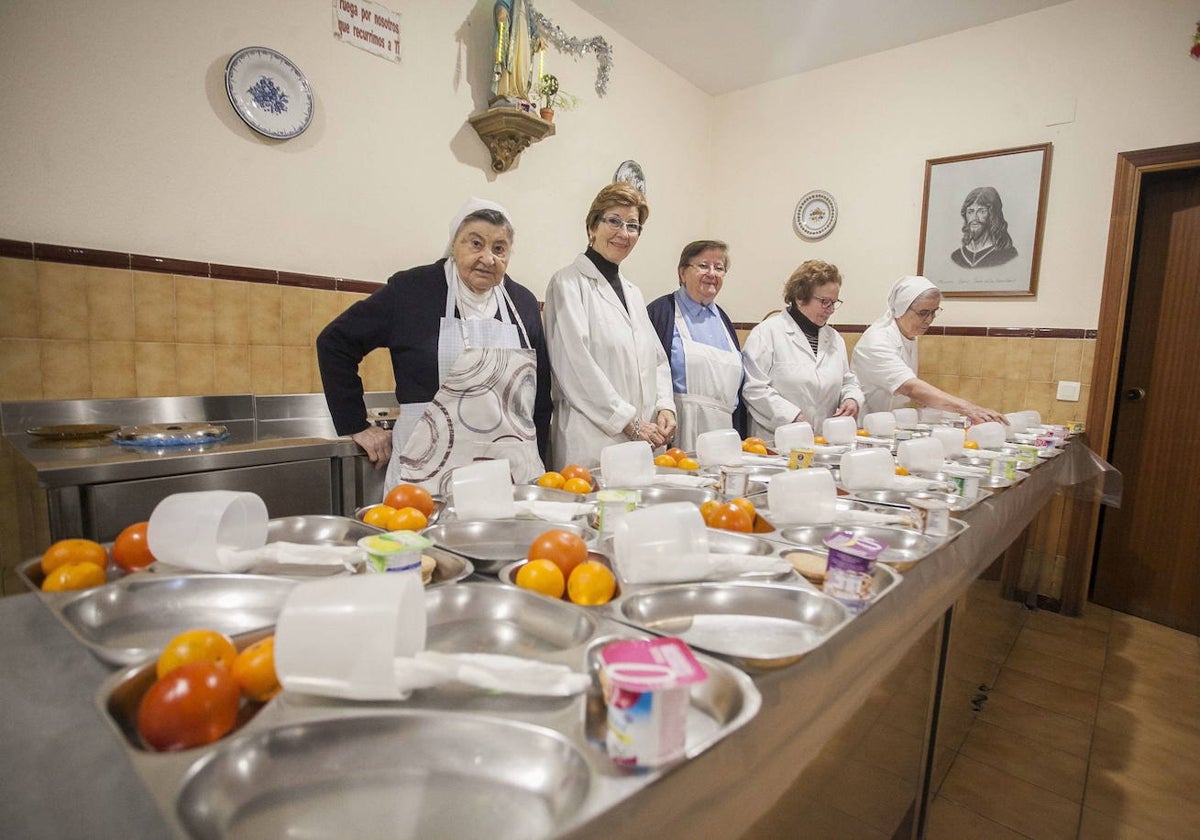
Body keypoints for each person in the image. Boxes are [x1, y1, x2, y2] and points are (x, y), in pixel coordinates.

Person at [316, 197, 551, 496]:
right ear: (454, 244)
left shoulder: (524, 304)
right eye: (475, 243)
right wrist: (355, 423)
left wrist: (535, 457)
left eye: (499, 248)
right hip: (425, 468)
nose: (488, 258)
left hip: (507, 474)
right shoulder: (412, 291)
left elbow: (540, 396)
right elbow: (335, 342)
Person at [543, 183, 676, 469]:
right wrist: (626, 421)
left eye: (633, 225)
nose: (623, 233)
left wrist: (665, 405)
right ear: (592, 226)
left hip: (641, 437)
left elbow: (656, 360)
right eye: (614, 221)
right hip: (592, 438)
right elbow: (574, 365)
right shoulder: (567, 283)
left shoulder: (634, 293)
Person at [851, 275, 1007, 424]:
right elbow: (910, 387)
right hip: (866, 426)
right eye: (923, 313)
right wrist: (968, 408)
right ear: (900, 308)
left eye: (934, 312)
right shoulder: (876, 341)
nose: (929, 319)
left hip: (888, 424)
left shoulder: (909, 336)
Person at [740, 260, 862, 446]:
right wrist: (793, 416)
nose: (830, 310)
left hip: (822, 444)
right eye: (824, 302)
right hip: (776, 443)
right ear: (800, 297)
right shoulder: (767, 333)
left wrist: (852, 399)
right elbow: (754, 389)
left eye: (834, 303)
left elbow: (848, 381)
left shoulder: (835, 339)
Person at [646, 240, 746, 451]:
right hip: (677, 429)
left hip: (723, 433)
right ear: (683, 273)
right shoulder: (661, 313)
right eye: (703, 266)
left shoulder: (724, 321)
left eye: (719, 268)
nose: (712, 273)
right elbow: (647, 373)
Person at [950, 186, 1018, 268]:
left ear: (992, 216)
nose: (974, 218)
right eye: (970, 212)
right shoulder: (956, 257)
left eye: (982, 211)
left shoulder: (1008, 255)